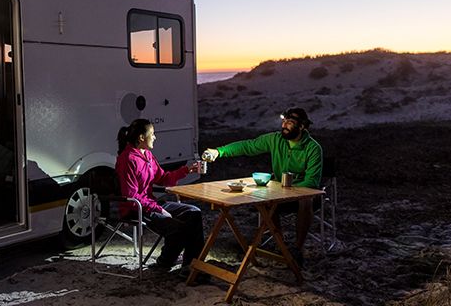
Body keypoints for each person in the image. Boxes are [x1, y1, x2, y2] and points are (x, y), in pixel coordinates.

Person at [202, 107, 322, 268]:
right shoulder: (275, 140)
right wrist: (219, 151)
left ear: (301, 127)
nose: (284, 126)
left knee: (306, 201)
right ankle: (281, 242)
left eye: (290, 123)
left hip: (303, 194)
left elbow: (312, 182)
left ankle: (297, 249)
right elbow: (248, 146)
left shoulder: (313, 148)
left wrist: (286, 188)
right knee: (261, 197)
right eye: (284, 122)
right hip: (280, 192)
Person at [116, 119, 208, 281]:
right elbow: (131, 197)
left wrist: (187, 170)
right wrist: (158, 209)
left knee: (193, 213)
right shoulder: (128, 159)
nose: (155, 137)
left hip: (149, 204)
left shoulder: (147, 155)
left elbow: (163, 178)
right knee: (178, 228)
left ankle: (191, 265)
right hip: (135, 209)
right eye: (152, 134)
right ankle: (165, 261)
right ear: (141, 138)